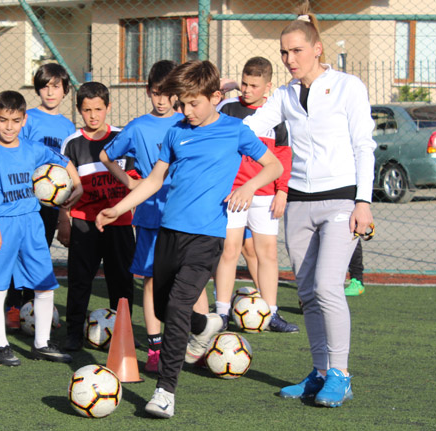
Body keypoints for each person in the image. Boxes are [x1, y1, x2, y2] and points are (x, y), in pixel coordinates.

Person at [96, 60, 283, 418]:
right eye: (182, 103)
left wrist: (248, 186)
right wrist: (118, 208)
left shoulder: (236, 130)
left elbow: (273, 166)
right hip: (169, 231)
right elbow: (153, 181)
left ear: (215, 96)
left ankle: (165, 391)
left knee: (179, 306)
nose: (186, 111)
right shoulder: (175, 132)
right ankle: (205, 324)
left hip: (207, 236)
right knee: (166, 304)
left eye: (193, 103)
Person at [243, 1, 376, 408]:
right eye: (284, 52)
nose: (289, 59)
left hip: (341, 200)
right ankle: (319, 373)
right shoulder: (283, 95)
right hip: (298, 203)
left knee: (327, 286)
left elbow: (363, 146)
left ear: (317, 48)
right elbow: (249, 129)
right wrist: (220, 107)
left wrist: (364, 201)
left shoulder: (349, 86)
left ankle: (341, 374)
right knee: (306, 292)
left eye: (296, 50)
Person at [0, 90, 82, 366]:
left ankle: (41, 343)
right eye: (3, 119)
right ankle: (1, 346)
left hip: (32, 222)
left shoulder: (32, 149)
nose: (8, 126)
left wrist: (78, 183)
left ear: (24, 119)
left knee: (44, 284)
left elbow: (63, 161)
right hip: (2, 226)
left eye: (15, 120)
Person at [99, 60, 184, 372]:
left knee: (187, 278)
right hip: (149, 212)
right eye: (155, 93)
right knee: (151, 279)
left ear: (177, 93)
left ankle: (191, 342)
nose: (160, 100)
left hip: (183, 211)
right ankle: (154, 348)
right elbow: (106, 155)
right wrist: (129, 182)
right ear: (148, 92)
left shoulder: (187, 124)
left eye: (166, 93)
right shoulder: (138, 126)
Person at [215, 57, 298, 333]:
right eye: (244, 83)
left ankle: (271, 313)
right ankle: (222, 313)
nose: (247, 90)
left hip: (264, 195)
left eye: (254, 85)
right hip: (233, 194)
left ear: (268, 86)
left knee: (268, 254)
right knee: (229, 251)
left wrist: (282, 191)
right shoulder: (227, 108)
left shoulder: (278, 115)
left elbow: (284, 157)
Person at [57, 81, 138, 352]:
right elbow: (63, 187)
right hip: (84, 222)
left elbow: (135, 181)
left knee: (122, 281)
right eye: (87, 109)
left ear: (108, 108)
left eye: (99, 109)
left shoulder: (123, 137)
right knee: (80, 280)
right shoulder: (72, 144)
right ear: (79, 110)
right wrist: (64, 220)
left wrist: (130, 210)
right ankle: (73, 333)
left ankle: (124, 332)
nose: (93, 115)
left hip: (119, 222)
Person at [4, 63, 76, 329]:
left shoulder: (68, 127)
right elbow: (16, 152)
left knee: (39, 255)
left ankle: (33, 308)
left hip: (51, 204)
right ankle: (13, 307)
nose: (50, 91)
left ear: (65, 90)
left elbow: (67, 169)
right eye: (45, 86)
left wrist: (64, 215)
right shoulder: (28, 118)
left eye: (56, 86)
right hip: (25, 200)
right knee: (19, 253)